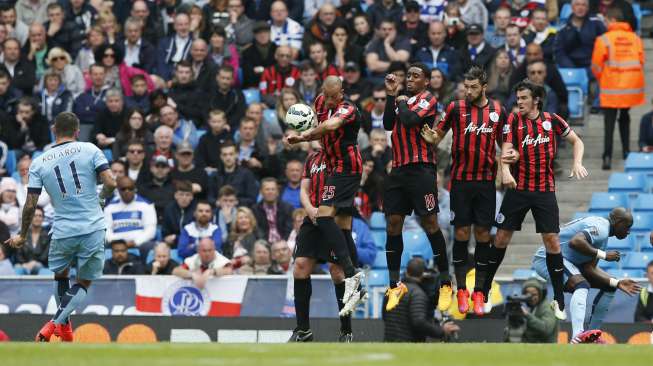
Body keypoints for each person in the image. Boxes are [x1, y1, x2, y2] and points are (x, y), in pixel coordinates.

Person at [5, 111, 116, 342]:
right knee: (83, 282)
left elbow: (30, 204)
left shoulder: (39, 161)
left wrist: (22, 235)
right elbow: (110, 183)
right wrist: (102, 198)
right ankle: (55, 324)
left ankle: (64, 332)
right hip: (93, 226)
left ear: (54, 130)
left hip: (63, 229)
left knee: (60, 276)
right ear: (77, 130)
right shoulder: (91, 149)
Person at [489, 80, 588, 321]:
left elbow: (577, 141)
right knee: (501, 237)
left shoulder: (552, 120)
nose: (519, 102)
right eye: (517, 98)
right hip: (518, 189)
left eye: (523, 98)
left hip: (544, 190)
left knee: (552, 242)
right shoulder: (513, 121)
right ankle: (484, 288)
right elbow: (507, 150)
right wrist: (506, 171)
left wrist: (577, 161)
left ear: (536, 100)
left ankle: (558, 300)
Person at [422, 67, 508, 315]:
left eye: (472, 87)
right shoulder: (455, 108)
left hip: (485, 182)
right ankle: (461, 290)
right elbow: (437, 136)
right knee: (460, 233)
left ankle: (479, 291)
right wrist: (431, 136)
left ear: (484, 87)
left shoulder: (497, 111)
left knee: (482, 234)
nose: (468, 91)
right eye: (465, 87)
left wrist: (507, 166)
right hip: (459, 181)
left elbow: (506, 144)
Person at [286, 76, 366, 317]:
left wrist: (302, 137)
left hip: (349, 167)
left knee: (323, 216)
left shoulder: (348, 109)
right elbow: (316, 122)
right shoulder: (320, 102)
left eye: (334, 96)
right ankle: (354, 279)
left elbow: (330, 126)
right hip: (333, 168)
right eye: (326, 95)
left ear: (341, 92)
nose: (329, 100)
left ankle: (352, 274)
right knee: (339, 222)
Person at [381, 64, 451, 312]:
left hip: (421, 170)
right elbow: (389, 123)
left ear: (426, 82)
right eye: (407, 76)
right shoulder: (402, 101)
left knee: (431, 224)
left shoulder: (428, 99)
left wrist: (400, 100)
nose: (409, 79)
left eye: (415, 76)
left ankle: (445, 283)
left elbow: (410, 121)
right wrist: (391, 96)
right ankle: (394, 284)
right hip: (398, 170)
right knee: (392, 223)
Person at [531, 208, 640, 343]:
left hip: (565, 261)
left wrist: (616, 282)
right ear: (618, 222)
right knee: (581, 285)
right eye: (627, 226)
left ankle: (591, 337)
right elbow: (575, 242)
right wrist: (604, 255)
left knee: (609, 287)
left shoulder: (603, 235)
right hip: (547, 259)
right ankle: (578, 335)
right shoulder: (601, 228)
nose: (628, 231)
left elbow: (589, 269)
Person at [289, 146, 362, 342]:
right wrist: (310, 209)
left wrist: (326, 213)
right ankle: (303, 330)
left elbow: (349, 188)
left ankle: (346, 331)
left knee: (337, 273)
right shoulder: (312, 158)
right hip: (312, 218)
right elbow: (304, 189)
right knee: (300, 267)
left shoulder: (344, 156)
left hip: (335, 219)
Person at [591, 7, 645, 170]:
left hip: (610, 87)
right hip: (630, 87)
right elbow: (641, 61)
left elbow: (596, 65)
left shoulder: (604, 39)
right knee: (625, 117)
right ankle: (627, 151)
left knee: (609, 121)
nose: (605, 24)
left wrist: (603, 78)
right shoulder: (635, 38)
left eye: (606, 21)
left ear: (612, 20)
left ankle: (607, 156)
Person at [383, 257, 460, 342]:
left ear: (407, 271)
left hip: (389, 343)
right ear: (422, 274)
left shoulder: (391, 291)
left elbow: (385, 316)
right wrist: (442, 331)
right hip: (409, 346)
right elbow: (419, 322)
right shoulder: (417, 294)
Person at [104, 176, 157, 260]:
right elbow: (106, 230)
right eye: (123, 189)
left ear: (135, 189)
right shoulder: (109, 207)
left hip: (139, 242)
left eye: (130, 188)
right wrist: (117, 243)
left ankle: (145, 271)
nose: (127, 191)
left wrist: (135, 242)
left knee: (151, 246)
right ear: (118, 190)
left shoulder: (146, 205)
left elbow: (150, 230)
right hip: (116, 242)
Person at [555, 0, 606, 69]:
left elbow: (604, 46)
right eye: (577, 5)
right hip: (570, 67)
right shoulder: (563, 27)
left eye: (583, 5)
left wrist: (595, 65)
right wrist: (570, 67)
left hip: (594, 66)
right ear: (572, 7)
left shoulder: (596, 23)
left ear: (588, 8)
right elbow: (560, 52)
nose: (580, 8)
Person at [210, 141, 259, 206]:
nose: (228, 158)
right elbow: (209, 197)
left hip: (240, 211)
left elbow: (252, 199)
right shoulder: (214, 175)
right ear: (221, 156)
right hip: (219, 209)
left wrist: (235, 202)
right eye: (225, 155)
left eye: (231, 154)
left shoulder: (247, 174)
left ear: (237, 154)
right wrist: (217, 203)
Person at [515, 278, 559, 343]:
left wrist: (527, 315)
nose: (531, 298)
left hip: (546, 350)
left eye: (534, 294)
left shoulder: (548, 307)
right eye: (528, 295)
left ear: (540, 294)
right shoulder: (534, 307)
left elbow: (546, 328)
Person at [252, 177, 294, 242]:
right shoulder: (254, 210)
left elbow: (289, 229)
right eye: (267, 189)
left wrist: (282, 243)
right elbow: (257, 231)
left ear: (277, 192)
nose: (270, 192)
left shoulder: (288, 208)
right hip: (264, 244)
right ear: (261, 192)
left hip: (284, 243)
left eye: (273, 189)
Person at [137, 155, 175, 222]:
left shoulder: (175, 187)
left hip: (169, 226)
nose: (160, 170)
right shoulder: (143, 189)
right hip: (149, 224)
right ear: (151, 168)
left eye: (163, 167)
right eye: (157, 166)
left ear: (168, 169)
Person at [13, 206, 50, 275]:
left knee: (41, 270)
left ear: (43, 218)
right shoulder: (21, 234)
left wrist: (35, 263)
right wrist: (25, 264)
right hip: (24, 265)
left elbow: (46, 256)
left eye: (40, 216)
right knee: (17, 269)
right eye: (34, 215)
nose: (37, 218)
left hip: (41, 266)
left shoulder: (48, 235)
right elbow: (18, 254)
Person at [161, 180, 196, 248]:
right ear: (175, 195)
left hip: (191, 244)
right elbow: (165, 232)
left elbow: (196, 233)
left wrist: (176, 237)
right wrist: (167, 238)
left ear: (192, 197)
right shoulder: (169, 209)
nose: (184, 198)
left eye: (187, 195)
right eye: (181, 194)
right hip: (173, 244)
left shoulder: (196, 209)